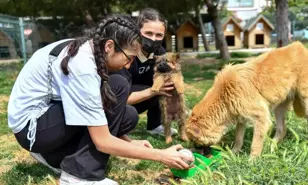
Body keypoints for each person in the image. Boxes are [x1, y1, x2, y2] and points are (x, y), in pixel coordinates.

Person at [7, 14, 192, 185]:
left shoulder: (93, 50)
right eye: (129, 58)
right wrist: (160, 155)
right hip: (33, 128)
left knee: (127, 112)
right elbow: (102, 141)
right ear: (109, 46)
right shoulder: (81, 66)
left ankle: (51, 155)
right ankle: (79, 176)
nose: (129, 64)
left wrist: (128, 141)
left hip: (50, 117)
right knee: (118, 85)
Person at [114, 8, 178, 136]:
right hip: (117, 101)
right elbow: (119, 98)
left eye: (159, 35)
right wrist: (153, 91)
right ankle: (119, 123)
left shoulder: (159, 53)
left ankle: (155, 125)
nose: (154, 39)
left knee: (166, 83)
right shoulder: (124, 53)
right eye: (148, 33)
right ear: (137, 31)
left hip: (142, 94)